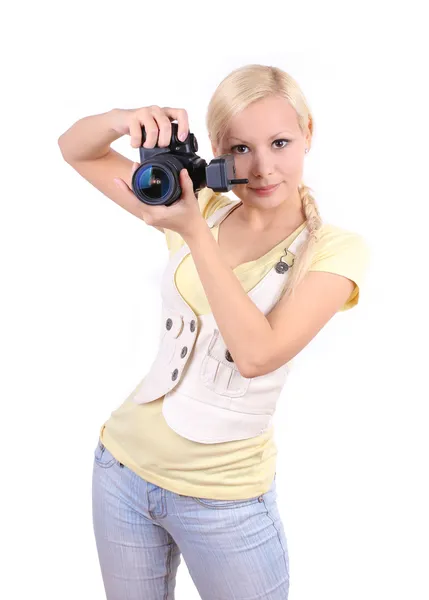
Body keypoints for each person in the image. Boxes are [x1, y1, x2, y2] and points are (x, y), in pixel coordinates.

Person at [58, 63, 370, 600]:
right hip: (123, 471)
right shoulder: (198, 206)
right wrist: (126, 119)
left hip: (224, 497)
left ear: (309, 133)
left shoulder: (336, 250)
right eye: (241, 149)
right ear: (219, 157)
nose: (264, 167)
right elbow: (75, 149)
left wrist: (193, 233)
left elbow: (257, 354)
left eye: (279, 142)